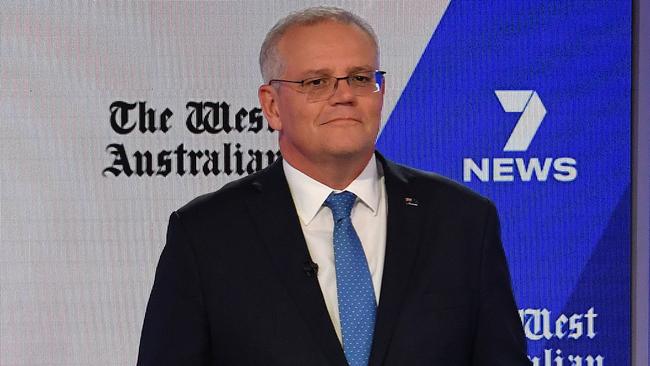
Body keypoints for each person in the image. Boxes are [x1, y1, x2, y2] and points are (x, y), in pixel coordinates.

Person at [137, 6, 530, 366]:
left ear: (380, 93)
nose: (343, 96)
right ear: (272, 106)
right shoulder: (207, 235)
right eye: (316, 82)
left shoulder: (462, 220)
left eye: (360, 78)